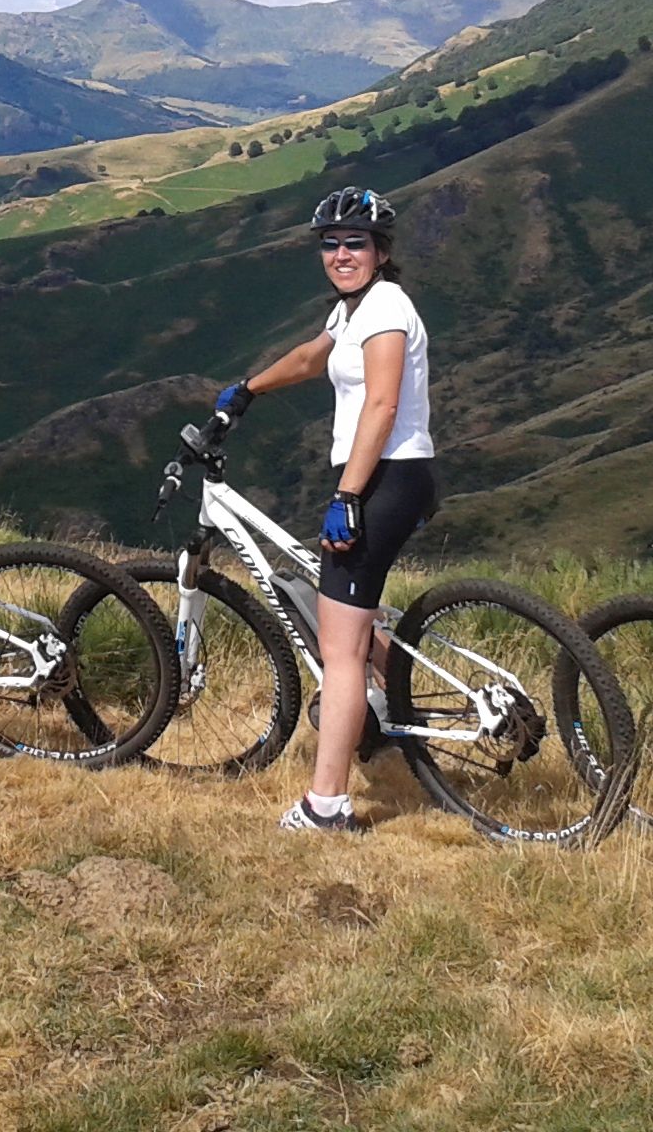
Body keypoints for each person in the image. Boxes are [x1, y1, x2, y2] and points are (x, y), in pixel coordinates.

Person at [214, 186, 438, 832]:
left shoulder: (387, 307)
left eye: (354, 243)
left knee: (338, 651)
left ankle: (327, 804)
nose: (341, 254)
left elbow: (383, 405)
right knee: (351, 620)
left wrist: (348, 495)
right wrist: (250, 389)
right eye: (331, 244)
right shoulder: (355, 308)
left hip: (385, 478)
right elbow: (316, 355)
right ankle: (400, 709)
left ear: (382, 251)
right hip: (385, 476)